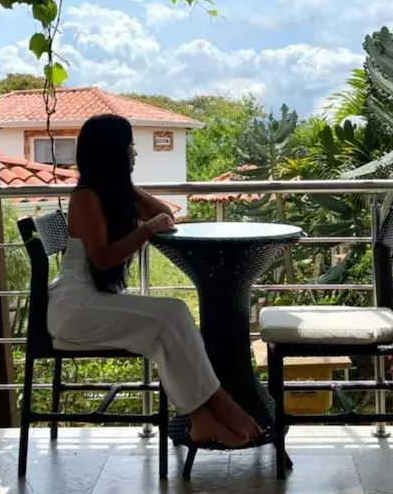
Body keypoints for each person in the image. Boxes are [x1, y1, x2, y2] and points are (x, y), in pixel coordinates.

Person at [47, 113, 261, 449]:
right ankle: (221, 403)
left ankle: (201, 418)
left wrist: (128, 187)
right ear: (112, 152)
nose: (134, 153)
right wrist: (145, 229)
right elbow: (103, 258)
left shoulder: (113, 193)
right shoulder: (85, 197)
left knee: (167, 327)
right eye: (129, 147)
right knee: (173, 313)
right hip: (74, 309)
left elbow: (166, 217)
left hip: (90, 303)